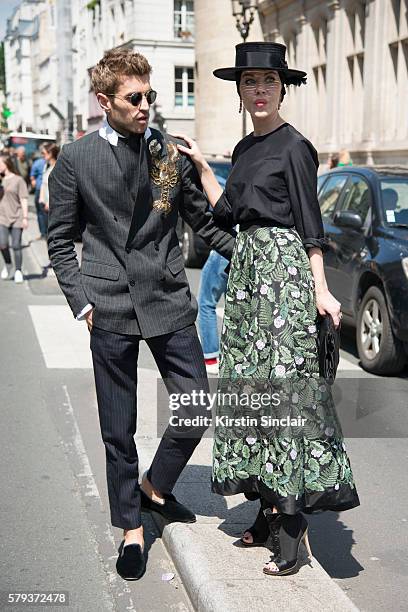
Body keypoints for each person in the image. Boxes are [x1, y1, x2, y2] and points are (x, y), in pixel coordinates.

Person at [47, 48, 235, 581]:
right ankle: (131, 527)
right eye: (135, 98)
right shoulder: (76, 158)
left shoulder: (166, 152)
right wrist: (81, 300)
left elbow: (200, 219)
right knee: (118, 426)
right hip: (107, 306)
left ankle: (155, 487)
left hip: (168, 299)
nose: (146, 105)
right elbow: (60, 240)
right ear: (104, 101)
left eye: (150, 95)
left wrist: (251, 253)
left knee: (196, 405)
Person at [175, 42, 360, 577]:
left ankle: (292, 521)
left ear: (283, 88)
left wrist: (321, 290)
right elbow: (231, 212)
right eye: (250, 82)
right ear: (239, 91)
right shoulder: (244, 149)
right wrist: (203, 168)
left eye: (269, 82)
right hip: (248, 272)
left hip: (283, 274)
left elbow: (310, 227)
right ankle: (264, 508)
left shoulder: (296, 147)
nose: (259, 91)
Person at [198, 249, 229, 374]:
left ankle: (210, 358)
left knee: (206, 304)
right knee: (235, 306)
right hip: (244, 249)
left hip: (223, 252)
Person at [0, 155, 29, 283]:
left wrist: (25, 217)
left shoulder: (18, 180)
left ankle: (18, 270)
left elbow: (23, 199)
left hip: (17, 216)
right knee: (2, 244)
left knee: (16, 245)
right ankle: (8, 264)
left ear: (6, 163)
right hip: (2, 217)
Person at [39, 143, 60, 229]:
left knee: (53, 228)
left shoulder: (56, 167)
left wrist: (49, 202)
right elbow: (43, 184)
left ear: (50, 153)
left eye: (44, 153)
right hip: (44, 201)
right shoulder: (46, 166)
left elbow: (56, 187)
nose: (42, 155)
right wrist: (41, 198)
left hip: (52, 203)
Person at [30, 146, 47, 238]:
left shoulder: (38, 162)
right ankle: (44, 233)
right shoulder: (39, 163)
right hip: (40, 189)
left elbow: (32, 177)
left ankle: (44, 233)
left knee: (42, 213)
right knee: (41, 212)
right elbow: (32, 177)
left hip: (44, 189)